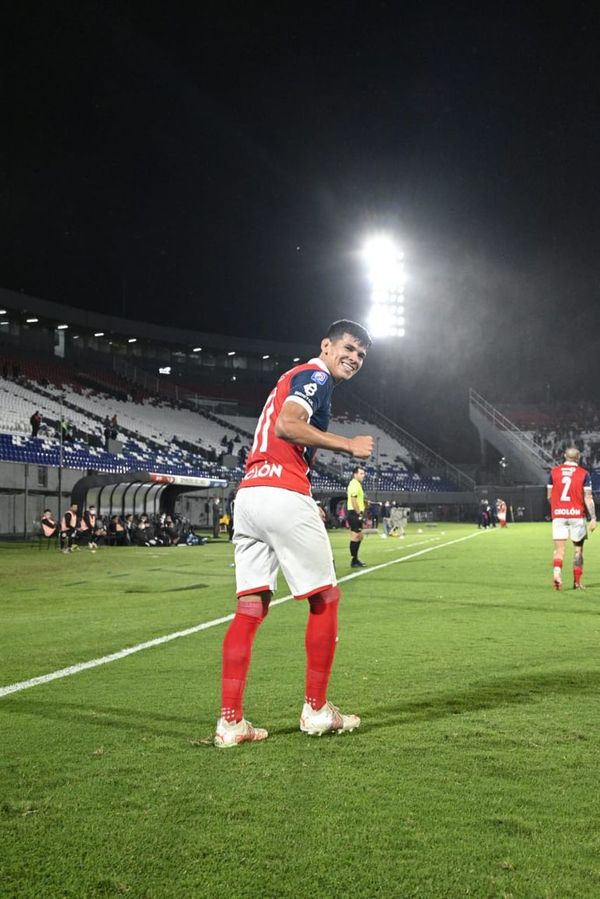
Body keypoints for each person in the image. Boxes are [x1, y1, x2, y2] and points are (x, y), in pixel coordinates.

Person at [214, 319, 373, 748]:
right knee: (325, 599)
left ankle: (231, 723)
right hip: (282, 490)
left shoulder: (292, 376)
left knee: (250, 608)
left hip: (249, 497)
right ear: (326, 345)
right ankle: (317, 711)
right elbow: (288, 424)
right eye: (349, 347)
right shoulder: (315, 374)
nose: (355, 358)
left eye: (362, 354)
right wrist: (348, 445)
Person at [547, 446, 596, 590]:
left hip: (559, 515)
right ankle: (577, 582)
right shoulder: (584, 473)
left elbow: (549, 496)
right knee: (578, 550)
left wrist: (558, 507)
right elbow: (588, 497)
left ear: (564, 456)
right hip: (576, 515)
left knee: (559, 550)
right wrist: (593, 517)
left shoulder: (554, 472)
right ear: (578, 457)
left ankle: (557, 574)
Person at [346, 466, 367, 567]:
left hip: (356, 512)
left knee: (360, 536)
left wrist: (365, 503)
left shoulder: (357, 484)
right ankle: (354, 560)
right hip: (354, 513)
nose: (363, 475)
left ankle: (355, 559)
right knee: (355, 536)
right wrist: (359, 513)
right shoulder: (354, 484)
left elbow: (357, 499)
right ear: (355, 474)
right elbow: (353, 500)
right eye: (361, 473)